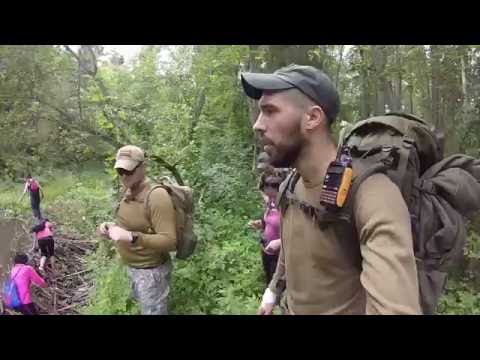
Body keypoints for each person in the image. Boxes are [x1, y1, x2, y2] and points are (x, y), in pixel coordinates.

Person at [241, 64, 421, 315]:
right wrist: (273, 291)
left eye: (270, 111)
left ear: (312, 118)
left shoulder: (372, 195)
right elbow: (291, 251)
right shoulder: (289, 188)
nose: (257, 125)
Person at [97, 145, 177, 315]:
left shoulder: (156, 196)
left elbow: (170, 241)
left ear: (143, 167)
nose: (124, 175)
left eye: (129, 170)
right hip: (133, 268)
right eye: (120, 170)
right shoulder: (128, 190)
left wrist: (131, 236)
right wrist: (110, 227)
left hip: (151, 273)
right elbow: (134, 223)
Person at [248, 172, 283, 286]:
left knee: (279, 284)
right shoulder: (271, 203)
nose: (270, 198)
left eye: (272, 195)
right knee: (269, 279)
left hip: (281, 255)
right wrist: (260, 224)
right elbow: (269, 223)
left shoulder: (287, 207)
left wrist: (280, 242)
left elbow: (298, 233)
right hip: (267, 250)